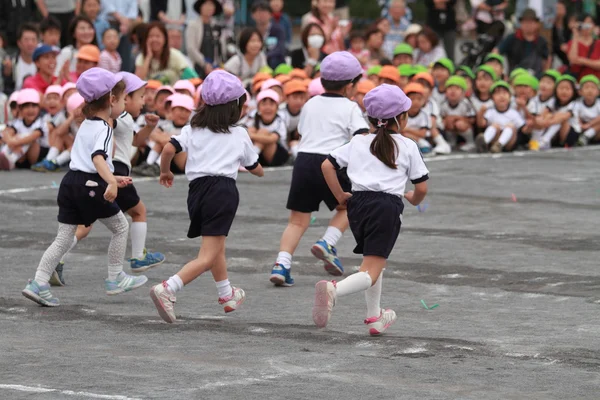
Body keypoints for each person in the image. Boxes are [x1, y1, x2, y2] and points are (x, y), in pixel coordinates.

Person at [21, 68, 149, 307]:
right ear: (111, 100)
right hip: (91, 185)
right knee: (121, 228)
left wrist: (112, 177)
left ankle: (38, 282)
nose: (122, 105)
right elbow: (98, 158)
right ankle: (115, 278)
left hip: (70, 183)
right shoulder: (104, 127)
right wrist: (111, 181)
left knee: (63, 238)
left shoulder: (87, 124)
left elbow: (85, 160)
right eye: (122, 100)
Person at [149, 70, 264, 323]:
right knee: (208, 255)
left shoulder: (193, 129)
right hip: (222, 192)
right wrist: (258, 171)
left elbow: (169, 148)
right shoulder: (239, 133)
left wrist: (165, 171)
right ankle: (168, 288)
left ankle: (227, 294)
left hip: (197, 191)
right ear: (234, 107)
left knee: (215, 245)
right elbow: (255, 167)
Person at [314, 84, 429, 335]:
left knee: (374, 262)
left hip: (358, 206)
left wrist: (340, 196)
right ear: (400, 119)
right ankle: (334, 289)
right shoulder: (407, 146)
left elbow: (327, 165)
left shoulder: (358, 141)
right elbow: (421, 187)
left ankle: (374, 317)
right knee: (372, 269)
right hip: (386, 207)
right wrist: (413, 199)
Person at [47, 72, 167, 286]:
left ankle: (58, 260)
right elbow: (103, 132)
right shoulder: (115, 118)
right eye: (139, 96)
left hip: (105, 174)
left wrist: (149, 128)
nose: (143, 101)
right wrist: (110, 176)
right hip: (113, 172)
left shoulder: (126, 118)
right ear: (120, 98)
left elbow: (135, 141)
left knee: (85, 225)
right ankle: (137, 258)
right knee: (138, 212)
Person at [270, 51, 369, 287]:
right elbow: (362, 136)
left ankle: (281, 264)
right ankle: (328, 242)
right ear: (350, 86)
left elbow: (304, 133)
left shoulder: (310, 103)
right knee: (350, 205)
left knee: (297, 221)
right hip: (331, 163)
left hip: (303, 163)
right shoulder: (350, 107)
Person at [0, 89, 48, 170]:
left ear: (39, 107)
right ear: (20, 109)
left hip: (36, 158)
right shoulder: (17, 122)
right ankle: (4, 156)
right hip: (22, 155)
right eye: (26, 106)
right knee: (11, 136)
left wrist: (15, 142)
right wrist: (12, 141)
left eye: (34, 106)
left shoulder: (41, 123)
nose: (30, 110)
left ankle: (10, 159)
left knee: (27, 138)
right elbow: (8, 133)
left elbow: (33, 136)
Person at [495, 9, 550, 77]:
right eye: (525, 22)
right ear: (521, 23)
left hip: (535, 79)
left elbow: (546, 60)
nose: (528, 25)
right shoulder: (512, 38)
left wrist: (544, 75)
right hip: (514, 77)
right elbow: (496, 52)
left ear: (537, 24)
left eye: (531, 22)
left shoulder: (542, 41)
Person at [475, 80, 526, 153]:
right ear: (492, 98)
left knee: (510, 126)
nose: (501, 96)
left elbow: (523, 129)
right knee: (495, 126)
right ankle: (484, 142)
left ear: (510, 97)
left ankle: (500, 144)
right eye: (498, 93)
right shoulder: (490, 111)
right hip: (494, 141)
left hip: (509, 143)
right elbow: (481, 124)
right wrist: (481, 113)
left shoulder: (513, 112)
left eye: (505, 93)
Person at [245, 89, 289, 166]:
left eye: (271, 104)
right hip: (261, 154)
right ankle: (252, 158)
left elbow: (272, 138)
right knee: (253, 129)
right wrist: (252, 134)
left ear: (277, 107)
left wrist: (252, 135)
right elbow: (246, 133)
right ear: (258, 108)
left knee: (263, 132)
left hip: (278, 154)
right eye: (264, 104)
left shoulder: (279, 120)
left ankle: (250, 159)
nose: (268, 107)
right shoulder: (254, 117)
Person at [537, 75, 580, 149]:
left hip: (570, 133)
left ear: (573, 91)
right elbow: (543, 113)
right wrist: (542, 120)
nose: (564, 92)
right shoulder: (553, 101)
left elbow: (565, 116)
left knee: (560, 117)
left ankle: (545, 140)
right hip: (555, 130)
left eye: (567, 89)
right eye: (561, 88)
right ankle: (540, 140)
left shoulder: (575, 104)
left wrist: (548, 122)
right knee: (547, 116)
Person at [186, 0, 224, 78]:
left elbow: (220, 48)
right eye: (206, 4)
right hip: (197, 67)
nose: (209, 7)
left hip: (214, 67)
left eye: (211, 5)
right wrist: (204, 63)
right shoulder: (193, 25)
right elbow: (191, 48)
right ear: (200, 7)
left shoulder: (217, 26)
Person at [99, 0, 138, 72]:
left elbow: (133, 8)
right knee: (106, 53)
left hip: (127, 24)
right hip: (109, 22)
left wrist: (126, 23)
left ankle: (125, 80)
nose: (113, 40)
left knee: (125, 56)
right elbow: (107, 4)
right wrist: (122, 20)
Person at [54, 15, 98, 80]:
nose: (86, 32)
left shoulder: (97, 51)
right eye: (82, 28)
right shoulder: (67, 52)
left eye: (90, 28)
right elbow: (56, 74)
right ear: (73, 33)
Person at [440, 76, 476, 148]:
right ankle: (451, 141)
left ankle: (470, 142)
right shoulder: (443, 104)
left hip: (464, 126)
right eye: (450, 88)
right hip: (451, 126)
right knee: (446, 122)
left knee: (459, 124)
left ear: (463, 93)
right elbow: (442, 118)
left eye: (457, 88)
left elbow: (472, 119)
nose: (453, 91)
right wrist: (448, 120)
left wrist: (457, 118)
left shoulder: (466, 103)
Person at [2, 24, 39, 93]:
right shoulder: (11, 62)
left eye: (33, 40)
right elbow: (6, 89)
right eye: (26, 40)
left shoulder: (42, 63)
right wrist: (7, 76)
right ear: (19, 43)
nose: (30, 43)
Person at [251, 1, 287, 69]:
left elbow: (280, 48)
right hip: (255, 61)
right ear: (252, 15)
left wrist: (265, 56)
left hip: (274, 62)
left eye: (264, 12)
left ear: (271, 15)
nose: (261, 15)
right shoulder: (251, 32)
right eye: (258, 12)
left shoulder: (278, 30)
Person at [567, 14, 600, 80]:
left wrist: (581, 60)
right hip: (579, 81)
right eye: (584, 23)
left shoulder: (598, 43)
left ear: (594, 25)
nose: (587, 26)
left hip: (597, 81)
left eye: (590, 23)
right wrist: (575, 34)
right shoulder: (572, 43)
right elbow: (573, 59)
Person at [576, 74, 600, 145]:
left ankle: (586, 136)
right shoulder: (577, 103)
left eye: (593, 88)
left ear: (598, 92)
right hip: (581, 128)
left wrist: (589, 125)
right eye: (586, 87)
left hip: (595, 129)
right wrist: (581, 125)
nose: (590, 90)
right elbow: (575, 115)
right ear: (580, 92)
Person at [552, 1, 573, 68]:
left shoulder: (568, 24)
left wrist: (568, 45)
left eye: (562, 8)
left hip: (567, 52)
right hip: (554, 53)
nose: (560, 11)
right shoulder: (549, 25)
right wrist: (559, 46)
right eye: (558, 9)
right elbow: (548, 41)